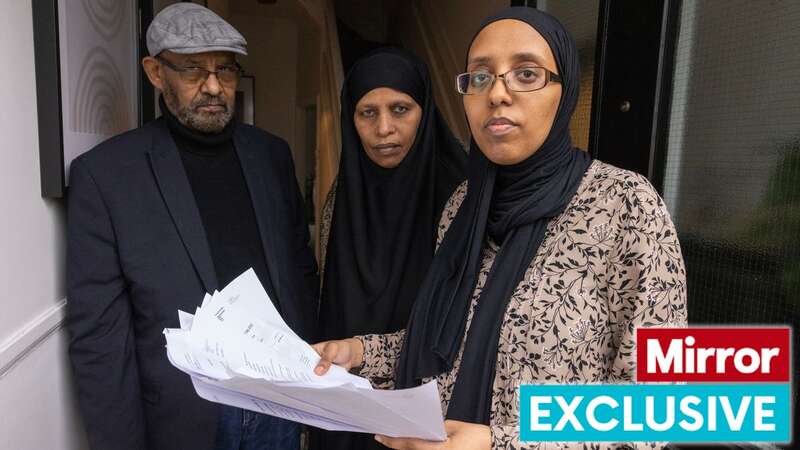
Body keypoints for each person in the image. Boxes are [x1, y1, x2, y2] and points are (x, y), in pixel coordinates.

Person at [312, 7, 687, 450]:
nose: (498, 94)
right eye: (480, 77)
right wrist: (359, 352)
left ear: (564, 91)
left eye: (526, 74)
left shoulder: (624, 206)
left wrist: (500, 442)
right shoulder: (463, 207)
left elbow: (659, 409)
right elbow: (449, 345)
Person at [66, 4, 317, 450]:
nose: (214, 87)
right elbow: (100, 337)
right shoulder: (106, 174)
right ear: (155, 72)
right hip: (185, 417)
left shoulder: (272, 156)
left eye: (226, 70)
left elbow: (299, 268)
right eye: (193, 70)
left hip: (276, 398)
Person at [312, 48, 467, 450]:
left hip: (425, 408)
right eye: (367, 113)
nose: (384, 128)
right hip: (342, 396)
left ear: (425, 110)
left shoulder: (462, 197)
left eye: (400, 109)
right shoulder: (341, 197)